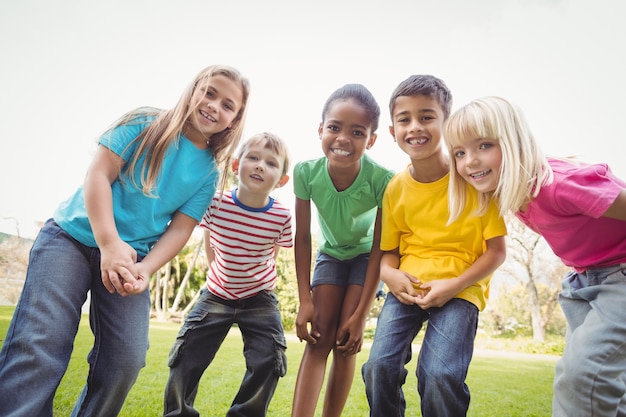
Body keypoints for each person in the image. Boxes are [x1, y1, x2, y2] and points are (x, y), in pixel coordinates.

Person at [0, 64, 250, 417]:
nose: (214, 106)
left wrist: (145, 269)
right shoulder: (145, 123)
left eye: (228, 105)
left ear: (234, 120)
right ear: (193, 90)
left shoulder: (208, 172)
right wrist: (109, 243)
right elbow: (99, 174)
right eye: (209, 92)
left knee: (125, 359)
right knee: (42, 343)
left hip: (131, 263)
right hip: (70, 239)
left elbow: (180, 229)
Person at [443, 95, 626, 417]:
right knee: (607, 385)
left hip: (619, 279)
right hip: (584, 284)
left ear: (514, 143)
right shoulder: (512, 195)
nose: (469, 161)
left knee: (583, 377)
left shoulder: (559, 185)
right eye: (460, 152)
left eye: (484, 145)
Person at [361, 75, 507, 417]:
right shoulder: (395, 189)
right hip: (407, 288)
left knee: (440, 375)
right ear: (394, 131)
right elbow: (389, 252)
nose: (415, 127)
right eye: (404, 119)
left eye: (427, 117)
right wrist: (389, 276)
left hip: (461, 290)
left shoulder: (474, 180)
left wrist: (453, 285)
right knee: (378, 367)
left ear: (447, 123)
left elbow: (496, 251)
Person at [163, 132, 292, 417]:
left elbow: (273, 253)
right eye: (253, 158)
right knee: (185, 357)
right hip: (216, 294)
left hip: (260, 299)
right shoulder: (217, 203)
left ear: (282, 180)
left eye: (271, 163)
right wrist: (218, 273)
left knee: (270, 360)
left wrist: (255, 280)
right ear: (236, 166)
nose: (260, 166)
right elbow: (209, 239)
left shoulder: (282, 216)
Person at [290, 83, 394, 417]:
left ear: (371, 140)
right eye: (334, 127)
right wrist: (304, 298)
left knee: (345, 344)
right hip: (331, 255)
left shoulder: (382, 180)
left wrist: (361, 315)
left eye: (357, 131)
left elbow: (381, 245)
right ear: (320, 129)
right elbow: (303, 237)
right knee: (318, 339)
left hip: (366, 258)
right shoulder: (306, 173)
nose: (343, 138)